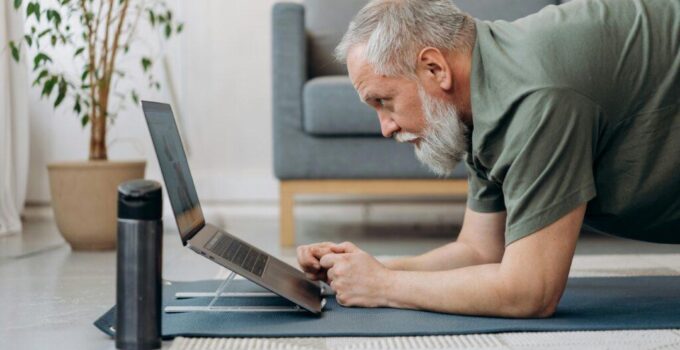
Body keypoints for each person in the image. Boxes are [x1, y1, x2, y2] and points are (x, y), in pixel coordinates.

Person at [296, 0, 680, 318]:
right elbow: (479, 251)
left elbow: (531, 292)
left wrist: (385, 287)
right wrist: (362, 271)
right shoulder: (479, 95)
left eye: (384, 101)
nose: (385, 127)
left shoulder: (532, 99)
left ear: (434, 68)